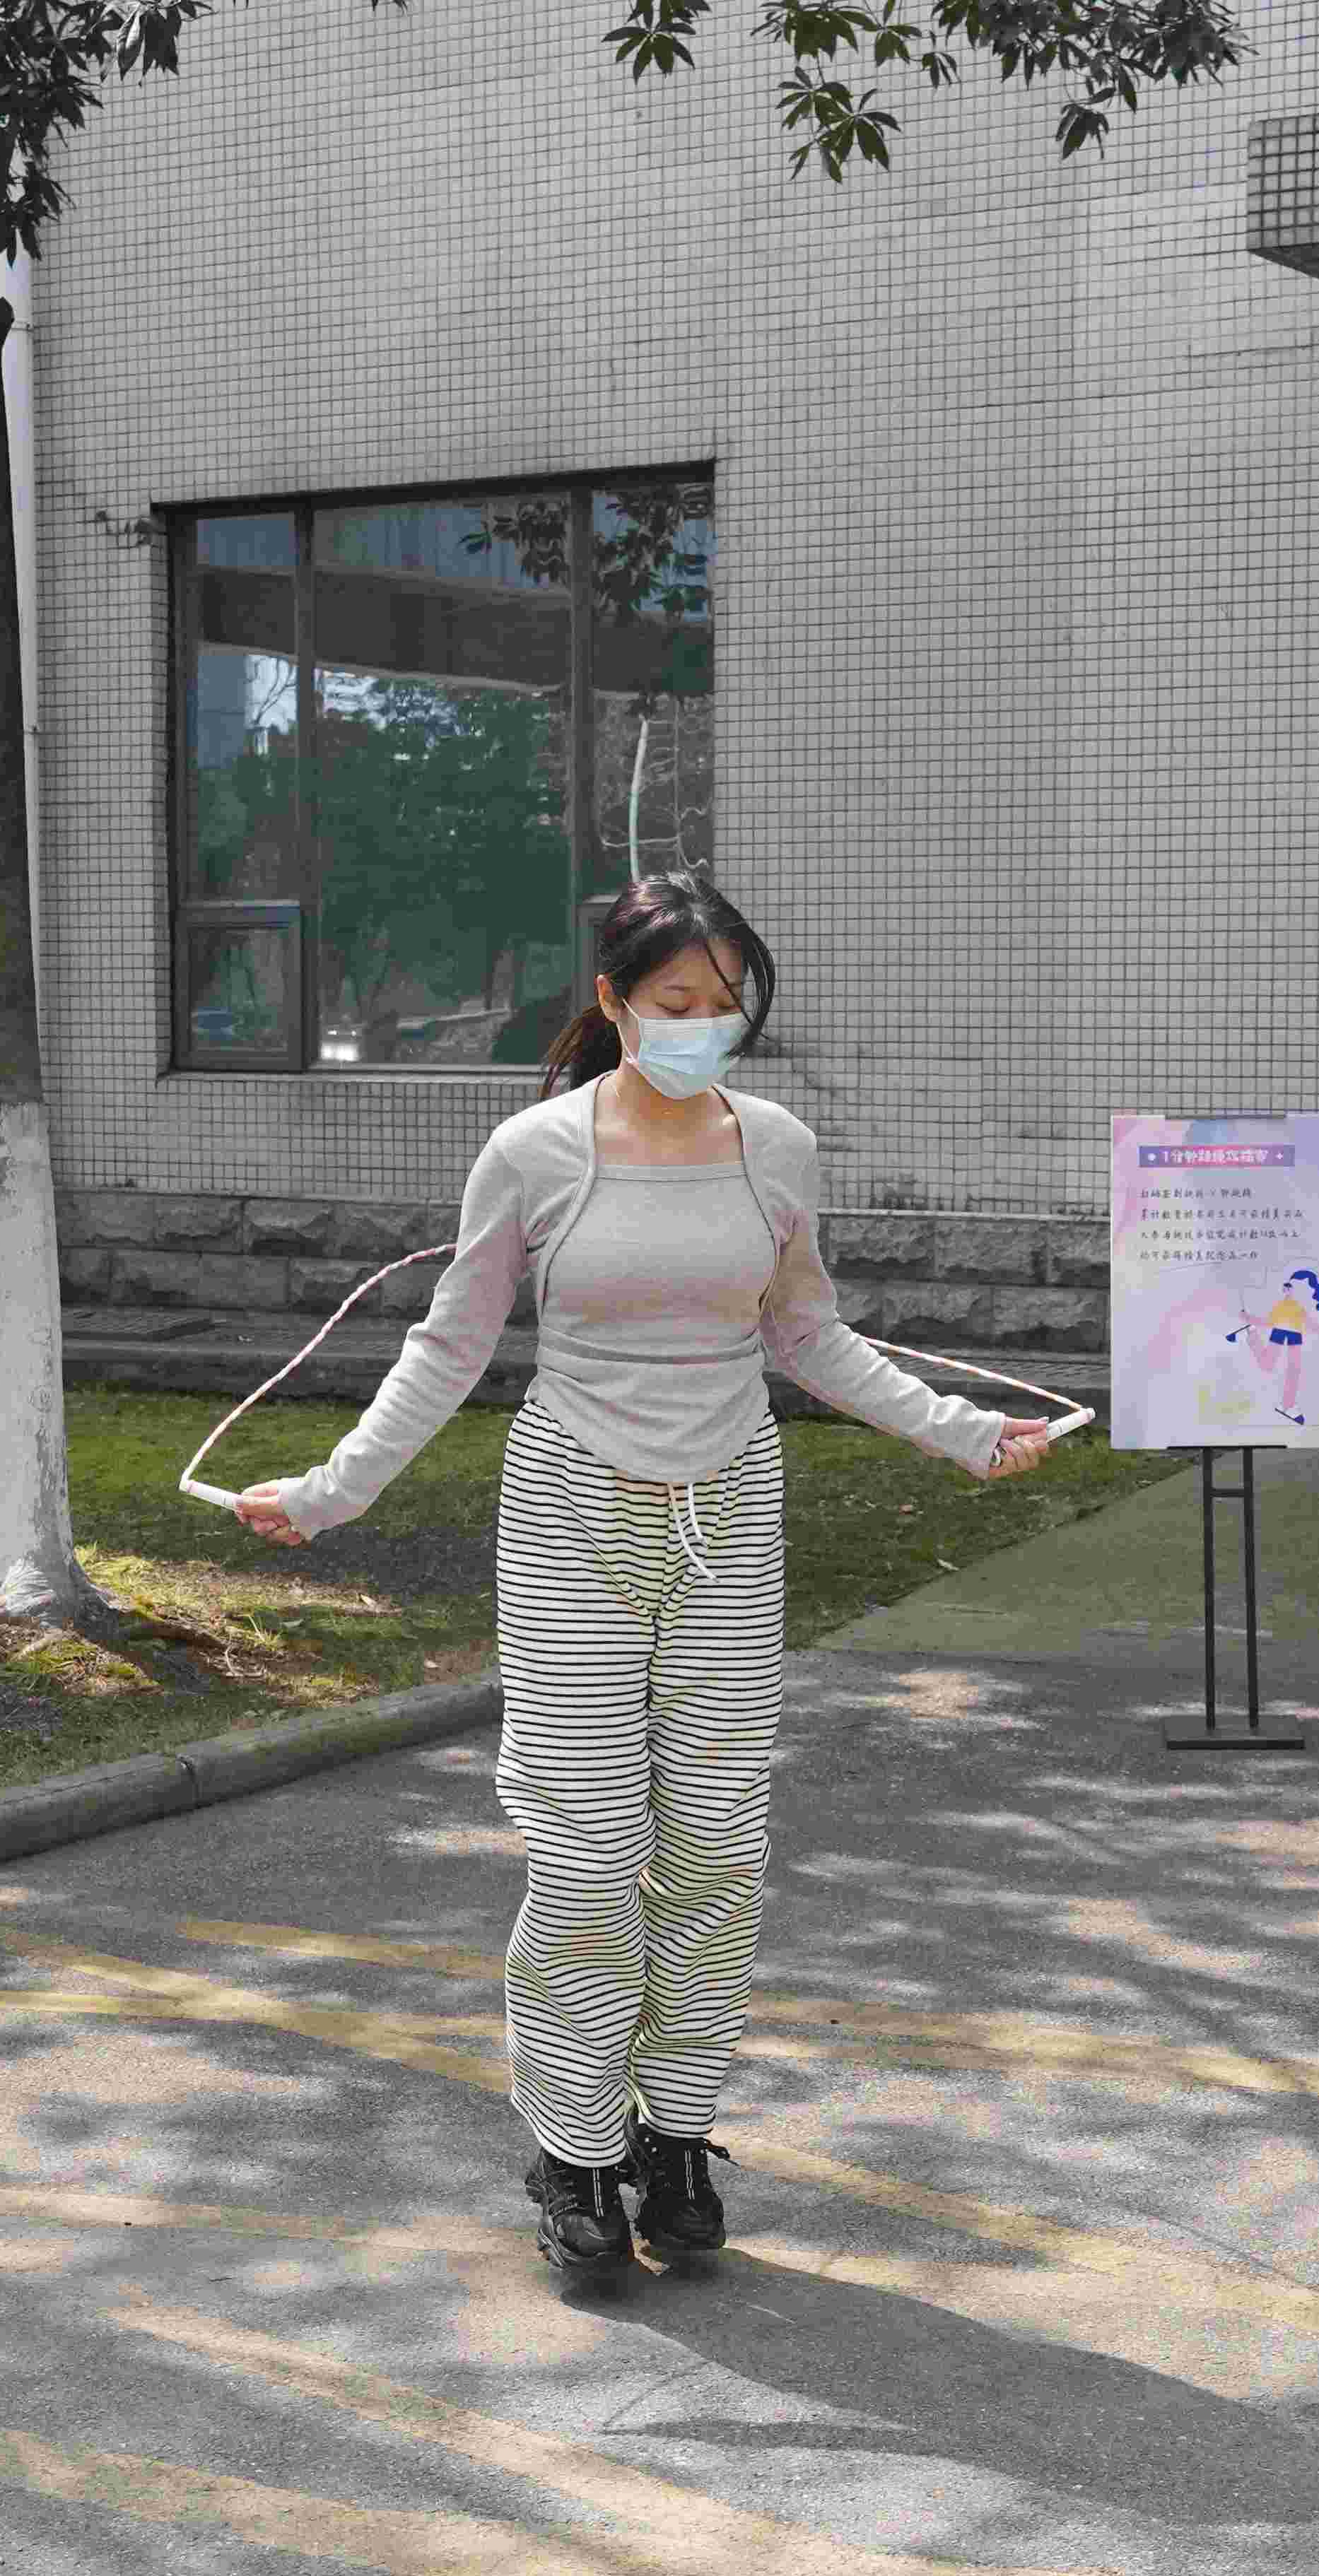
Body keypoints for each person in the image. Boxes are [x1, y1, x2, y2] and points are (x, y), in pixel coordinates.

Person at [232, 874, 1057, 2276]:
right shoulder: (534, 1153)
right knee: (588, 1853)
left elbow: (809, 1333)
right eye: (677, 1000)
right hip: (572, 1512)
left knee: (719, 1844)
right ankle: (573, 2149)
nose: (705, 1025)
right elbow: (451, 1340)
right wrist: (331, 1491)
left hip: (729, 1511)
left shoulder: (776, 1149)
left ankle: (676, 2131)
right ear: (613, 1000)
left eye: (728, 1003)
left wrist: (965, 1434)